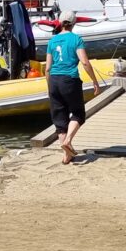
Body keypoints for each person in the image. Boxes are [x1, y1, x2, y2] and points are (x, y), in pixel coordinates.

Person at [45, 12, 101, 164]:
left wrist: (49, 86)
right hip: (69, 80)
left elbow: (48, 68)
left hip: (54, 81)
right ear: (73, 23)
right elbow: (84, 62)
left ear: (60, 22)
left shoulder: (52, 41)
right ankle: (67, 141)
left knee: (59, 117)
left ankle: (67, 155)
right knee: (78, 113)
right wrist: (95, 82)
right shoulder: (76, 39)